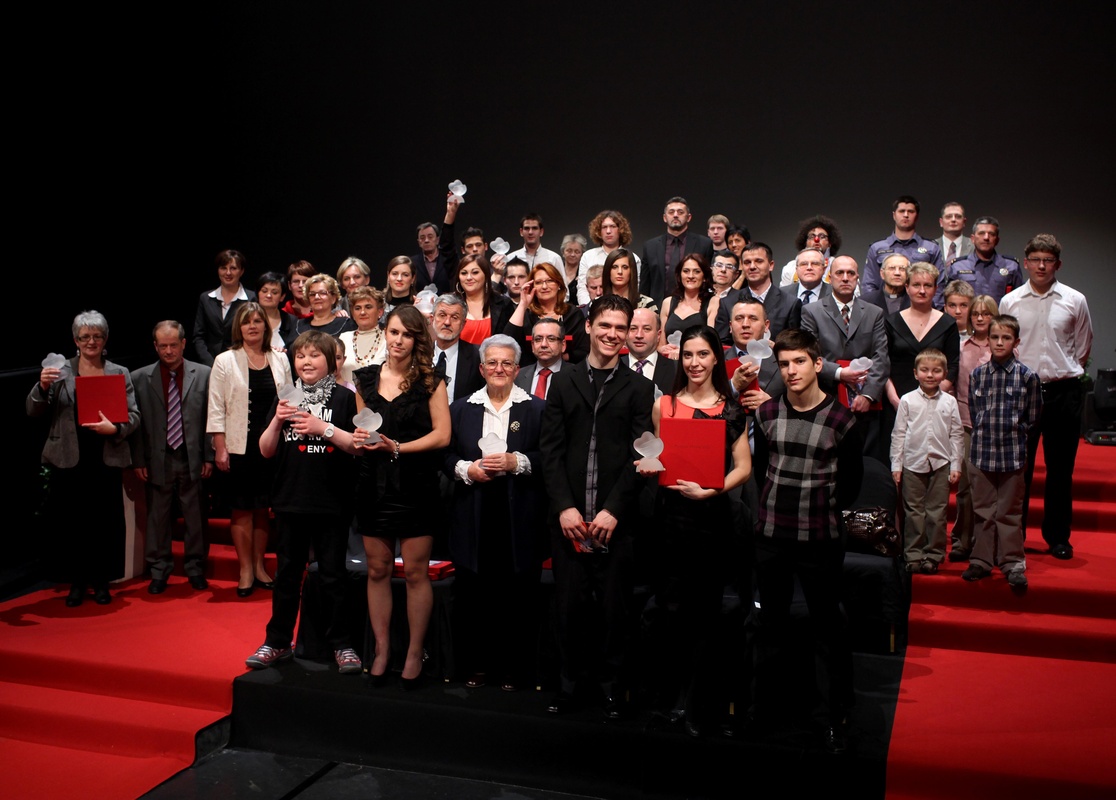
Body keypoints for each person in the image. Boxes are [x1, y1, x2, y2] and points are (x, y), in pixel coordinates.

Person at [540, 294, 655, 718]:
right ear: (588, 327)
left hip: (615, 520)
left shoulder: (640, 388)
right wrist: (564, 507)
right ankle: (570, 686)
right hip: (568, 518)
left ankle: (611, 690)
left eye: (621, 328)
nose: (612, 334)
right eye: (605, 325)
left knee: (614, 610)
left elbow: (642, 454)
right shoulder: (562, 381)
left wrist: (613, 510)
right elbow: (550, 450)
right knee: (568, 608)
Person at [751, 328, 862, 754]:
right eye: (784, 364)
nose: (791, 371)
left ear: (817, 364)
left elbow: (850, 487)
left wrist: (822, 510)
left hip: (820, 536)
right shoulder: (766, 413)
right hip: (771, 536)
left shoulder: (842, 419)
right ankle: (767, 709)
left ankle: (833, 715)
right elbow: (761, 469)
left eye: (799, 362)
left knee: (827, 627)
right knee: (770, 625)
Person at [639, 325, 750, 735]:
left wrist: (712, 489)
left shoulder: (730, 408)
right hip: (669, 520)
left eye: (703, 354)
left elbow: (744, 468)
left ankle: (700, 706)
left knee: (706, 614)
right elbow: (657, 456)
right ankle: (667, 701)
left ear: (716, 359)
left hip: (711, 520)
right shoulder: (664, 405)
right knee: (668, 611)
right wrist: (648, 465)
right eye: (688, 354)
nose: (694, 362)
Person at [245, 331, 364, 673]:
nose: (306, 362)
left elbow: (359, 447)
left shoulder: (345, 397)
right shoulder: (286, 396)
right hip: (290, 499)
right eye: (300, 356)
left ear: (330, 360)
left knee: (333, 576)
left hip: (332, 501)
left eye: (314, 355)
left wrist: (321, 427)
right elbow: (266, 449)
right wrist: (277, 419)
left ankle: (342, 645)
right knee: (287, 575)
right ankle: (277, 641)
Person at [353, 306, 452, 686]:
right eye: (394, 332)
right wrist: (361, 441)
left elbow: (442, 435)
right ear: (385, 333)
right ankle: (381, 649)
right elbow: (362, 432)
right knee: (377, 569)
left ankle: (414, 651)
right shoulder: (364, 379)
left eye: (407, 334)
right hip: (373, 486)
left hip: (417, 484)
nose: (398, 340)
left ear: (417, 340)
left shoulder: (431, 381)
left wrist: (396, 448)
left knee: (414, 572)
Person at [445, 334, 547, 691]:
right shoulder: (460, 409)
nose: (499, 369)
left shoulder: (537, 409)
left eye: (507, 363)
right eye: (492, 362)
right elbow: (444, 456)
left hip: (520, 515)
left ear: (517, 370)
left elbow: (551, 458)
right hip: (473, 511)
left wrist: (517, 462)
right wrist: (466, 469)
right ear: (481, 368)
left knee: (518, 597)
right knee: (475, 595)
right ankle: (478, 664)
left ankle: (515, 669)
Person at [27, 311, 140, 607]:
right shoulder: (59, 370)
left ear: (105, 339)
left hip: (105, 455)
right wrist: (42, 386)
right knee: (72, 523)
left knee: (104, 522)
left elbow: (134, 415)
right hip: (69, 458)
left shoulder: (119, 372)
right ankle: (76, 582)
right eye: (85, 337)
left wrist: (115, 429)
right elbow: (33, 410)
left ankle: (101, 581)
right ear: (75, 340)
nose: (91, 341)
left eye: (97, 336)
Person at [999, 234, 1092, 561]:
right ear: (1026, 263)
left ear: (1058, 264)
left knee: (1061, 469)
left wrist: (1060, 370)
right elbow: (1004, 345)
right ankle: (1015, 537)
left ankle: (1058, 538)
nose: (1041, 266)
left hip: (1063, 392)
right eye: (1036, 260)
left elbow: (1082, 348)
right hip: (1021, 392)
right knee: (1018, 471)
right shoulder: (1010, 301)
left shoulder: (1075, 300)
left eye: (1048, 260)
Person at [208, 302, 293, 596]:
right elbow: (216, 407)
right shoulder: (225, 360)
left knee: (262, 510)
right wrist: (220, 448)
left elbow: (290, 400)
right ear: (239, 327)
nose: (252, 326)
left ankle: (259, 567)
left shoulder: (279, 359)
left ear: (265, 327)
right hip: (238, 447)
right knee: (242, 510)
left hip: (272, 446)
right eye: (247, 322)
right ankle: (245, 569)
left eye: (258, 321)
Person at [130, 320, 213, 594]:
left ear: (184, 344)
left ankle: (195, 568)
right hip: (157, 457)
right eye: (163, 346)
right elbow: (136, 424)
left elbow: (211, 417)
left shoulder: (204, 374)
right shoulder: (139, 378)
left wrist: (209, 456)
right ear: (155, 346)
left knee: (195, 515)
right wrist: (138, 460)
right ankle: (159, 570)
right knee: (158, 516)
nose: (168, 351)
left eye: (173, 345)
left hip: (192, 455)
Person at [963, 315, 1041, 590]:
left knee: (1009, 511)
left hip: (1012, 453)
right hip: (982, 452)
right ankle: (982, 560)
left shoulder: (1028, 376)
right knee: (983, 510)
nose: (999, 342)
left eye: (1006, 338)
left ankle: (1012, 562)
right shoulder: (978, 375)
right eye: (995, 337)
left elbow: (1032, 416)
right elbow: (975, 411)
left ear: (1016, 342)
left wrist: (1016, 434)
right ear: (988, 340)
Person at [800, 255, 890, 459]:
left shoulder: (874, 313)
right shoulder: (811, 312)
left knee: (863, 462)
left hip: (864, 403)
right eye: (839, 273)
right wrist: (840, 373)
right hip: (825, 397)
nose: (845, 278)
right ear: (829, 277)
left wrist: (868, 395)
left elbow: (881, 357)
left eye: (851, 273)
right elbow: (808, 356)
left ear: (858, 278)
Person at [890, 348, 964, 573]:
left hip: (941, 464)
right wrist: (896, 464)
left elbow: (956, 434)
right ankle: (913, 554)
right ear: (915, 373)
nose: (930, 375)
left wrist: (956, 464)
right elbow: (899, 434)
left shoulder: (950, 401)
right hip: (913, 463)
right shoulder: (907, 400)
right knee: (913, 511)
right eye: (925, 370)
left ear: (944, 374)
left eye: (936, 371)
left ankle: (933, 555)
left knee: (937, 512)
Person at [950, 295, 997, 561]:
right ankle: (962, 540)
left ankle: (986, 541)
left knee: (988, 487)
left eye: (986, 313)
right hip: (965, 421)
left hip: (994, 426)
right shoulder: (960, 346)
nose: (980, 318)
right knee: (966, 485)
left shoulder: (1002, 346)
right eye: (976, 313)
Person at [885, 262, 960, 408]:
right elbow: (883, 365)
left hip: (936, 403)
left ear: (936, 289)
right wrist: (894, 399)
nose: (922, 290)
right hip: (897, 402)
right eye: (916, 285)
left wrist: (932, 397)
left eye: (928, 285)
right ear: (907, 287)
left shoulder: (948, 323)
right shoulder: (891, 321)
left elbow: (952, 366)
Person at [505, 261, 590, 366]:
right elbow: (506, 342)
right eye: (539, 282)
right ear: (532, 287)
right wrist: (523, 304)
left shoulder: (573, 314)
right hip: (528, 370)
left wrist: (557, 359)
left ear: (559, 284)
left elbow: (584, 350)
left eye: (550, 281)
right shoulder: (525, 313)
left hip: (567, 369)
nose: (544, 286)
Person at [713, 242, 801, 344]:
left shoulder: (790, 303)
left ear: (771, 265)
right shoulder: (728, 303)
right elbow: (721, 344)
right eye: (747, 262)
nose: (752, 266)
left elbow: (794, 344)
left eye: (758, 261)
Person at [862, 195, 944, 296]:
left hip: (920, 303)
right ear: (894, 215)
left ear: (917, 216)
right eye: (901, 211)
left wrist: (931, 305)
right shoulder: (877, 248)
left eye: (910, 211)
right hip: (884, 304)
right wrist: (873, 305)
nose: (906, 215)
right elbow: (869, 284)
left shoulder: (931, 248)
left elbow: (939, 285)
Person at [934, 216, 1023, 307]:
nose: (986, 237)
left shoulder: (1011, 266)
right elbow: (949, 301)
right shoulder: (958, 267)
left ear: (997, 240)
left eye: (991, 234)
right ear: (972, 239)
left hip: (1000, 316)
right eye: (981, 233)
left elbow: (1019, 301)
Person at [640, 196, 715, 305]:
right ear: (665, 217)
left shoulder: (704, 244)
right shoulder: (650, 246)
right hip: (657, 307)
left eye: (680, 212)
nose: (675, 215)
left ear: (689, 217)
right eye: (671, 212)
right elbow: (645, 284)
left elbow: (708, 280)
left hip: (694, 306)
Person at [193, 249, 256, 366]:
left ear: (241, 271)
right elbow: (198, 336)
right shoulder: (206, 298)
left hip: (240, 362)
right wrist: (210, 363)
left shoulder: (251, 298)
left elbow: (253, 334)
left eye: (233, 268)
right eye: (223, 268)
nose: (228, 273)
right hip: (210, 363)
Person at [576, 210, 643, 304]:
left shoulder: (633, 258)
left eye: (612, 226)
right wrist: (590, 309)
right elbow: (582, 288)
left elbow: (635, 288)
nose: (608, 231)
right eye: (604, 227)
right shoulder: (588, 256)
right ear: (599, 231)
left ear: (620, 230)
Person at [431, 293, 484, 404]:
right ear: (432, 319)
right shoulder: (419, 353)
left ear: (463, 324)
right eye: (442, 315)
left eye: (454, 318)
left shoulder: (477, 356)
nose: (447, 322)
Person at [659, 254, 714, 359]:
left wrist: (684, 352)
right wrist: (664, 349)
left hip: (698, 361)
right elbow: (660, 345)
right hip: (669, 360)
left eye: (697, 271)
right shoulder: (668, 302)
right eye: (686, 271)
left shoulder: (713, 302)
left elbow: (711, 341)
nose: (691, 276)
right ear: (680, 275)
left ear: (704, 277)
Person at [455, 253, 514, 345]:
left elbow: (511, 340)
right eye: (464, 273)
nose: (469, 277)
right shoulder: (450, 304)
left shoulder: (503, 304)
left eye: (475, 272)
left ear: (486, 275)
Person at [623, 307, 676, 395]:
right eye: (633, 328)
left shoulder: (676, 369)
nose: (639, 335)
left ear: (658, 335)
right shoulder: (613, 367)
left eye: (646, 329)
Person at [339, 286, 386, 383]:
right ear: (353, 314)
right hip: (348, 392)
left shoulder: (388, 338)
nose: (362, 312)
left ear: (380, 312)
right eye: (357, 308)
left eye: (368, 307)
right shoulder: (344, 338)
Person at [778, 215, 842, 287]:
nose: (816, 240)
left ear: (830, 243)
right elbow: (784, 292)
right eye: (812, 236)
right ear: (805, 242)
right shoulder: (791, 268)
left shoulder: (839, 266)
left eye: (822, 236)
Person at [514, 318, 565, 400]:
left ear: (563, 345)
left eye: (551, 339)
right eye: (538, 339)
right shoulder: (517, 376)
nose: (544, 344)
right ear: (532, 345)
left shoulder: (577, 376)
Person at [602, 248, 657, 312]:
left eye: (625, 267)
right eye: (614, 267)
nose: (620, 272)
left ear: (632, 271)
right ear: (608, 270)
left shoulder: (646, 303)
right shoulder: (597, 303)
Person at [256, 272, 299, 353]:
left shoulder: (291, 321)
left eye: (274, 292)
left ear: (282, 297)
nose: (269, 295)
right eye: (264, 291)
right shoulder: (247, 319)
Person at [703, 250, 741, 328]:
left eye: (729, 267)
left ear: (736, 275)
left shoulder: (741, 298)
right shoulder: (700, 294)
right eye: (719, 265)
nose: (723, 270)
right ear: (711, 269)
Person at [935, 202, 973, 266]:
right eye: (948, 217)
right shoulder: (931, 246)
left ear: (964, 222)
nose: (953, 220)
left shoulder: (974, 246)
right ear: (941, 222)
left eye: (958, 217)